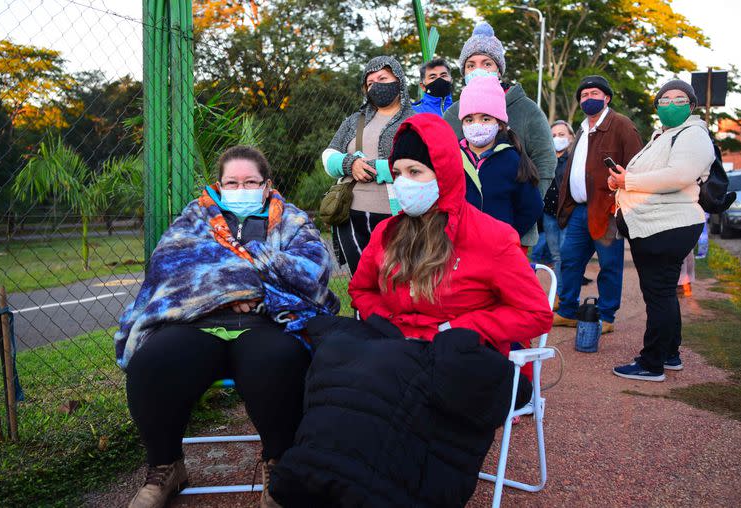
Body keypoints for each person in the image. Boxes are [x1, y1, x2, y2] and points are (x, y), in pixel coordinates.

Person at [268, 114, 553, 507]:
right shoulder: (389, 232)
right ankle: (321, 475)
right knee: (334, 350)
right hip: (398, 343)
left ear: (445, 172)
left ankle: (373, 490)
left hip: (463, 356)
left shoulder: (491, 236)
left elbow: (535, 314)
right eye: (398, 171)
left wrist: (462, 326)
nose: (404, 182)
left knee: (385, 375)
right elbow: (362, 288)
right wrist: (382, 320)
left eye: (416, 171)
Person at [117, 146, 340, 508]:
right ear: (218, 187)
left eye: (250, 181)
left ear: (267, 186)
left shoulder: (293, 221)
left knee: (279, 362)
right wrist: (229, 290)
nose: (241, 188)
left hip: (265, 320)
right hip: (198, 322)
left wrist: (243, 286)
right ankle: (166, 467)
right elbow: (170, 267)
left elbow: (312, 269)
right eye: (232, 183)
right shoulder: (194, 219)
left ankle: (279, 465)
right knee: (152, 363)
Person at [609, 79, 713, 381]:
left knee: (659, 294)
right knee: (663, 293)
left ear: (691, 105)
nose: (671, 104)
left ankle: (651, 363)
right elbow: (646, 174)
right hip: (655, 224)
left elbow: (677, 176)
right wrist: (618, 180)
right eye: (664, 100)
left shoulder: (693, 135)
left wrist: (628, 182)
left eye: (679, 99)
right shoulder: (664, 136)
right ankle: (669, 353)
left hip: (668, 225)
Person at [443, 21, 556, 252]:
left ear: (499, 69)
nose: (478, 69)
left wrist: (523, 207)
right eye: (471, 65)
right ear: (463, 71)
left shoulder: (527, 110)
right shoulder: (453, 113)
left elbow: (546, 161)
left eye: (487, 63)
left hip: (515, 235)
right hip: (459, 236)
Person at [553, 75, 643, 334]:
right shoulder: (582, 128)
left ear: (607, 98)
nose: (588, 99)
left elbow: (637, 166)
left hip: (608, 210)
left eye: (594, 94)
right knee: (570, 260)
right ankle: (568, 310)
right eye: (583, 95)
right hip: (580, 210)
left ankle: (606, 316)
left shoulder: (621, 125)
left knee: (609, 264)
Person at [322, 56, 414, 274]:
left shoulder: (415, 120)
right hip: (351, 213)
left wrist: (378, 168)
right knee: (362, 280)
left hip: (399, 216)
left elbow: (423, 163)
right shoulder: (355, 120)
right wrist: (349, 163)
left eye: (383, 78)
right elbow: (328, 155)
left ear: (399, 80)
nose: (376, 85)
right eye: (370, 83)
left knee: (397, 281)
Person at [458, 75, 543, 243]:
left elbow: (532, 207)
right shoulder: (453, 156)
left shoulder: (512, 159)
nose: (477, 124)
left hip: (498, 249)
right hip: (459, 247)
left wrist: (509, 236)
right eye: (469, 119)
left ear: (500, 124)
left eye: (486, 118)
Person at [543, 120, 576, 307]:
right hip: (548, 214)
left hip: (567, 214)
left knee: (566, 256)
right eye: (554, 135)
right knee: (556, 257)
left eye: (562, 135)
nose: (557, 139)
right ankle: (558, 294)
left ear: (571, 138)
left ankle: (566, 296)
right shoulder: (546, 159)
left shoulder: (574, 161)